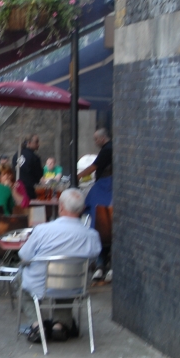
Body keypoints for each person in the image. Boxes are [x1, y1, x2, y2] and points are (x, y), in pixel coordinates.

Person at [18, 188, 101, 342]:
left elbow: (24, 255)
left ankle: (38, 325)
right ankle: (60, 325)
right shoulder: (92, 235)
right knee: (69, 279)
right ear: (82, 209)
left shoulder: (42, 230)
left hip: (40, 285)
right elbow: (94, 260)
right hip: (74, 286)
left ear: (60, 206)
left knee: (20, 278)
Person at [78, 128, 113, 279]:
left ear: (102, 138)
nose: (95, 142)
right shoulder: (111, 148)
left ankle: (99, 262)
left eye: (96, 139)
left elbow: (93, 167)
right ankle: (102, 263)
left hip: (105, 187)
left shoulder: (107, 150)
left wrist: (77, 175)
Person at [14, 135, 42, 200]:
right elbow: (39, 175)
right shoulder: (34, 157)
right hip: (30, 190)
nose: (38, 144)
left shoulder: (16, 155)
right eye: (36, 142)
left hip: (17, 188)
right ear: (29, 143)